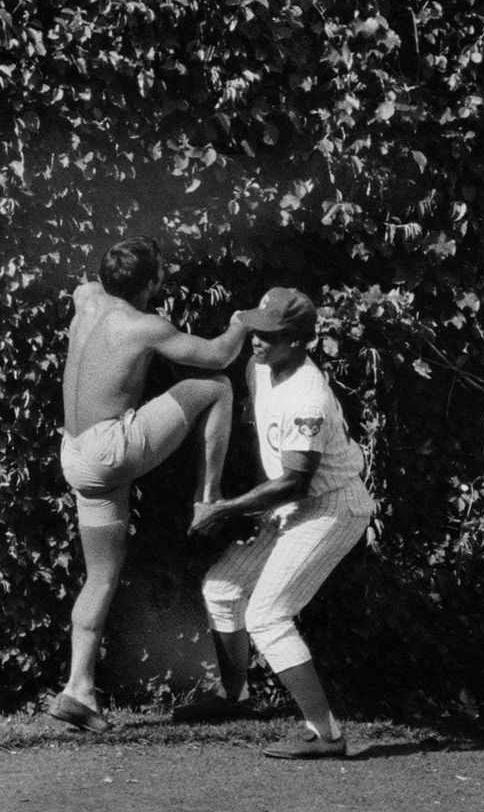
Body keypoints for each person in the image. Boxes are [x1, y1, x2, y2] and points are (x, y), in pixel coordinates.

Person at [48, 235, 248, 733]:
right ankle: (209, 497)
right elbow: (218, 356)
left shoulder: (86, 298)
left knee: (101, 577)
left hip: (75, 453)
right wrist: (241, 323)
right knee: (216, 387)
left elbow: (84, 289)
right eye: (161, 272)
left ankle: (78, 689)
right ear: (152, 282)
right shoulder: (145, 326)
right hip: (109, 449)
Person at [175, 287, 374, 759]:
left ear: (299, 341)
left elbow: (296, 483)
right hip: (295, 500)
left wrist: (228, 509)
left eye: (269, 335)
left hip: (333, 507)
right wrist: (244, 504)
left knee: (267, 616)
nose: (256, 341)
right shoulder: (259, 368)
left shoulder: (308, 397)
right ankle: (234, 699)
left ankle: (327, 736)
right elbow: (262, 441)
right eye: (255, 330)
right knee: (222, 589)